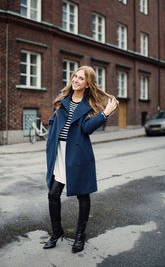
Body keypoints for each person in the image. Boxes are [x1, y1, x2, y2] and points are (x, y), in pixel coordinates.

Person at [44, 66, 119, 253]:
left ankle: (80, 236)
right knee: (53, 194)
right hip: (59, 153)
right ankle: (56, 232)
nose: (75, 80)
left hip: (78, 154)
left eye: (81, 78)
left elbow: (86, 129)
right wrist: (51, 135)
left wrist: (106, 113)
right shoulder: (62, 100)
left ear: (87, 84)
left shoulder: (90, 105)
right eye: (75, 76)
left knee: (82, 195)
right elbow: (53, 120)